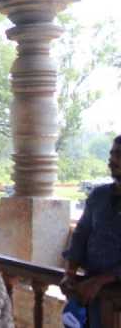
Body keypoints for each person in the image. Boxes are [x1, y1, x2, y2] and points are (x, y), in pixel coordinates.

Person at [61, 135, 121, 327]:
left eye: (119, 154)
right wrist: (70, 272)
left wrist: (102, 280)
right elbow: (81, 234)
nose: (112, 160)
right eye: (112, 154)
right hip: (89, 294)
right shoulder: (99, 195)